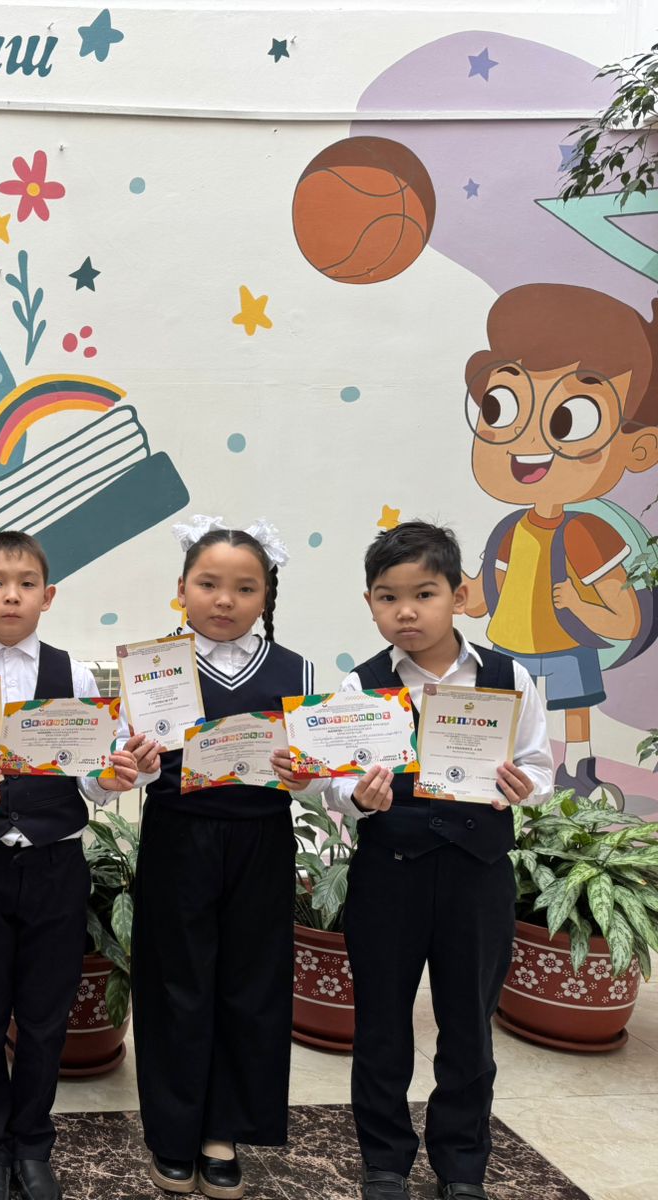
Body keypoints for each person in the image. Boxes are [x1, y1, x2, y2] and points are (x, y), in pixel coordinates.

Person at [279, 521, 552, 1200]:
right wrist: (357, 798)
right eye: (388, 597)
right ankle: (385, 1160)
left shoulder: (508, 676)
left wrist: (525, 784)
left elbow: (539, 763)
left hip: (477, 875)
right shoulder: (362, 686)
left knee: (468, 1027)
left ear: (458, 595)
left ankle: (461, 1164)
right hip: (389, 876)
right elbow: (332, 780)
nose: (406, 611)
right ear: (370, 604)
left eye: (423, 594)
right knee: (380, 1024)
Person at [0, 530, 147, 1200]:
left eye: (25, 584)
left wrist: (112, 779)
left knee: (47, 1016)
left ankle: (34, 1143)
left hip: (57, 865)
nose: (11, 595)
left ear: (47, 597)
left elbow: (89, 782)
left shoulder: (75, 677)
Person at [130, 517, 313, 1200]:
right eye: (208, 584)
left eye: (245, 587)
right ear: (182, 589)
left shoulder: (296, 671)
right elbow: (128, 764)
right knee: (175, 983)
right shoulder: (154, 667)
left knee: (251, 984)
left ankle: (223, 1131)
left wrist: (307, 774)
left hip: (261, 839)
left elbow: (315, 773)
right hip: (179, 836)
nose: (225, 600)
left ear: (267, 595)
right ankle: (173, 1131)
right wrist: (134, 763)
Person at [459, 284, 658, 807]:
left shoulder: (587, 533)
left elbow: (625, 618)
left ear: (637, 448)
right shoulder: (509, 529)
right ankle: (500, 770)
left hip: (566, 640)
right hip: (510, 642)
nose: (528, 441)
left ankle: (578, 769)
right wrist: (454, 591)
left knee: (574, 706)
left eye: (572, 418)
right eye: (501, 407)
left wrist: (582, 606)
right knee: (509, 710)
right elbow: (487, 591)